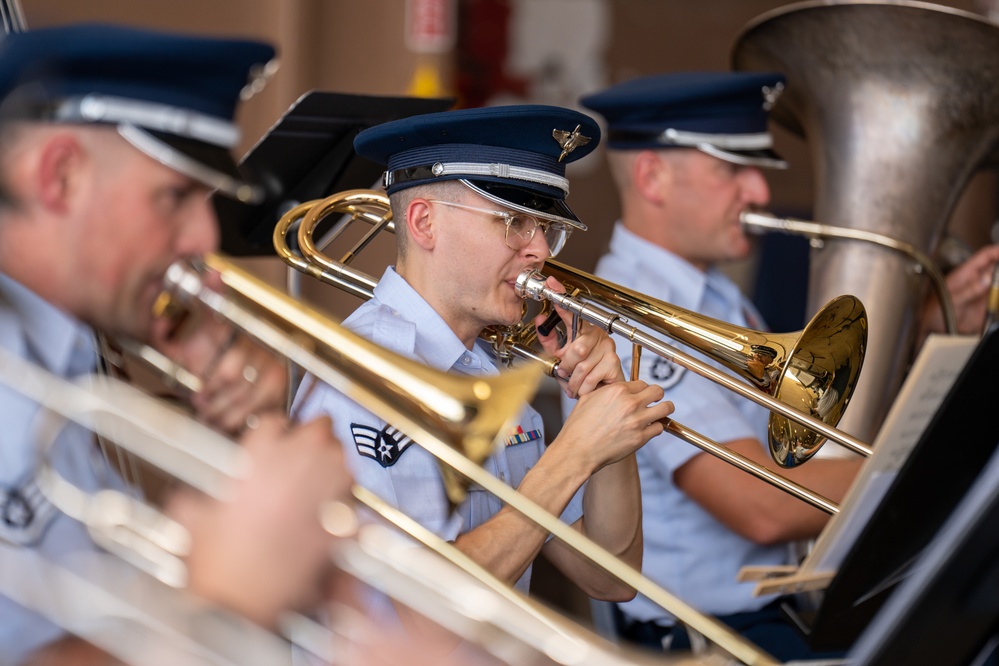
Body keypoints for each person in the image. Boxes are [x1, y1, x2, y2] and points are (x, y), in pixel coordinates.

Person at [575, 70, 999, 660]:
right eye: (732, 169)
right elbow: (764, 506)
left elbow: (812, 438)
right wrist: (945, 471)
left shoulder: (718, 298)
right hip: (710, 640)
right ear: (652, 177)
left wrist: (922, 328)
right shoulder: (631, 315)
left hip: (775, 614)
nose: (761, 192)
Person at [0, 24, 351, 663]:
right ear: (61, 176)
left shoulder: (64, 357)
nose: (205, 247)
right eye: (176, 196)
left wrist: (246, 434)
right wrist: (224, 600)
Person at [292, 104, 674, 608]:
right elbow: (419, 606)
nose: (539, 250)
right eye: (514, 222)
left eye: (543, 228)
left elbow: (611, 577)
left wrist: (601, 411)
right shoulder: (361, 378)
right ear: (425, 223)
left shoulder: (486, 374)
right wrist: (572, 455)